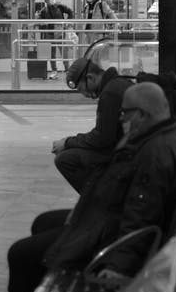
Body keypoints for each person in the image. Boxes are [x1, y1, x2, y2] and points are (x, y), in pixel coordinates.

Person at [0, 83, 176, 292]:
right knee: (43, 222)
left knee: (21, 253)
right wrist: (84, 211)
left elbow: (141, 215)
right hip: (110, 220)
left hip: (112, 237)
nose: (121, 118)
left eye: (125, 113)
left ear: (143, 114)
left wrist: (119, 264)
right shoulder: (159, 139)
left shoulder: (154, 153)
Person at [53, 56, 134, 193]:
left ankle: (97, 202)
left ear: (90, 78)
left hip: (125, 156)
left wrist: (67, 142)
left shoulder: (110, 93)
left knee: (65, 159)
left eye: (81, 89)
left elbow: (101, 138)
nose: (84, 94)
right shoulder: (118, 83)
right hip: (127, 149)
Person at [37, 0, 74, 80]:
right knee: (51, 54)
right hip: (49, 34)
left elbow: (70, 12)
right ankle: (54, 71)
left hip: (59, 33)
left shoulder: (60, 6)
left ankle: (67, 70)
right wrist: (40, 22)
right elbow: (39, 22)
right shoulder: (43, 10)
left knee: (64, 52)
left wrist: (67, 23)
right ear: (46, 0)